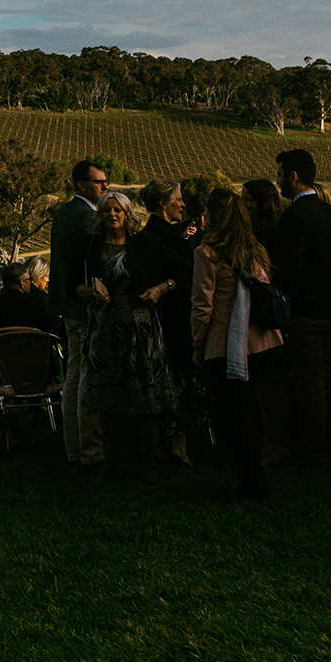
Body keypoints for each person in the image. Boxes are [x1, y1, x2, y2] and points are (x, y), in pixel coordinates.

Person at [76, 192, 182, 482]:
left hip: (141, 328)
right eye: (107, 210)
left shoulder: (145, 244)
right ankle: (110, 464)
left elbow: (184, 267)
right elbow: (74, 285)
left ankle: (150, 466)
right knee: (108, 398)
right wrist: (89, 292)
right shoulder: (91, 247)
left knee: (145, 398)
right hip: (105, 329)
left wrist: (162, 288)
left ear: (127, 214)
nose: (112, 215)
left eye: (118, 210)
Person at [191, 188, 288, 499]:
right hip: (264, 340)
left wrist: (197, 343)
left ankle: (250, 480)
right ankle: (266, 461)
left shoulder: (208, 253)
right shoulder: (253, 249)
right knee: (261, 408)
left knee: (239, 416)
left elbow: (202, 305)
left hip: (227, 344)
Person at [273, 149, 331, 471]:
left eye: (279, 174)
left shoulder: (294, 217)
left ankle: (314, 452)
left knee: (310, 384)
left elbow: (290, 270)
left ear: (292, 177)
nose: (277, 181)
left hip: (306, 311)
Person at [49, 160, 109, 466]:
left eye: (105, 181)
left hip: (66, 305)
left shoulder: (62, 212)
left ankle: (73, 449)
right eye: (99, 182)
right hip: (83, 305)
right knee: (85, 376)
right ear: (81, 184)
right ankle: (90, 451)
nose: (105, 186)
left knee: (73, 376)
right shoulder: (87, 217)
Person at [139, 180, 199, 463]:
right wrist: (169, 286)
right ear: (163, 204)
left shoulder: (159, 233)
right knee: (175, 379)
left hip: (164, 318)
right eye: (178, 198)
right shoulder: (161, 235)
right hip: (172, 320)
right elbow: (188, 273)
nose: (183, 204)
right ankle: (177, 444)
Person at [0, 260, 56, 386]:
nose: (30, 283)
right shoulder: (36, 307)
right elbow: (52, 333)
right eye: (29, 280)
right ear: (22, 283)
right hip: (35, 369)